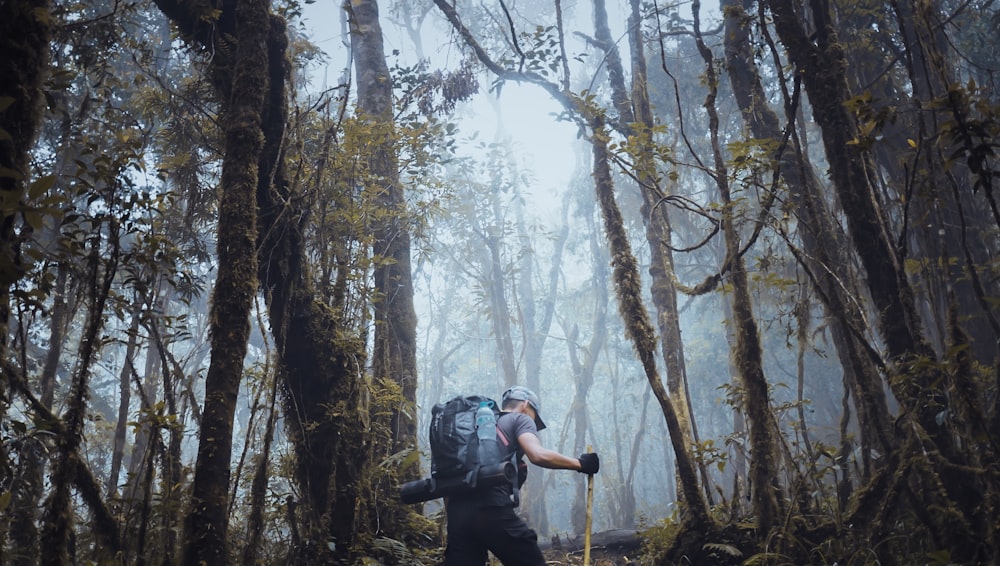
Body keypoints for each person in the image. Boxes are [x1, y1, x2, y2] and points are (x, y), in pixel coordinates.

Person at [443, 385, 600, 565]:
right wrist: (581, 463)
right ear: (525, 404)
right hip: (491, 507)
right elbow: (537, 455)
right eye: (534, 416)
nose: (534, 423)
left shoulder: (472, 428)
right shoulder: (519, 419)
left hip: (457, 514)